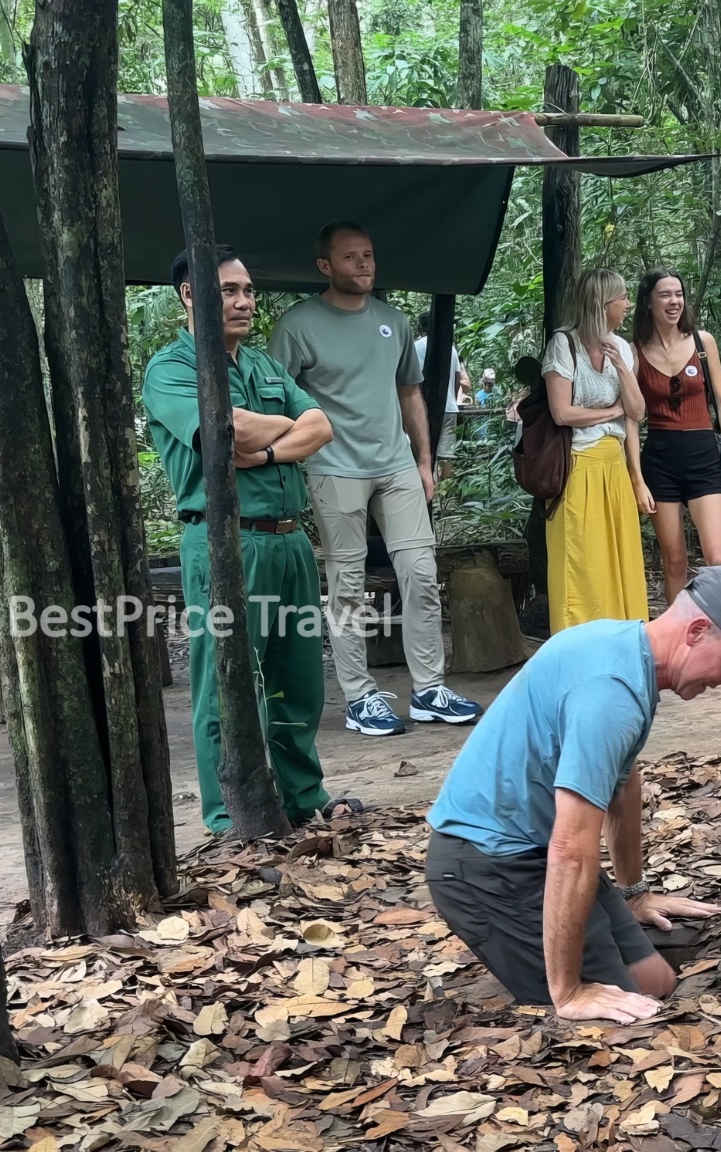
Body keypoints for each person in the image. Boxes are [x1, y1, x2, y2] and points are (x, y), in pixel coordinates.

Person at [425, 567, 721, 1023]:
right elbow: (571, 848)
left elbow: (623, 786)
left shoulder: (626, 651)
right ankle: (552, 979)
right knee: (627, 1020)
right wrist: (568, 992)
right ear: (696, 631)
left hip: (527, 849)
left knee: (657, 983)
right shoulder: (610, 694)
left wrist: (635, 892)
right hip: (485, 865)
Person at [141, 247, 342, 835]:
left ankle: (303, 798)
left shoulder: (263, 367)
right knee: (226, 684)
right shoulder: (173, 369)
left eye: (248, 290)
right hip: (225, 543)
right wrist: (275, 427)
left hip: (289, 542)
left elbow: (323, 425)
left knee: (298, 680)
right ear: (189, 296)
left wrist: (270, 448)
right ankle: (231, 816)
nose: (243, 301)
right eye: (228, 290)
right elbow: (223, 432)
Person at [271, 221, 483, 737]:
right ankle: (360, 697)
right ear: (325, 266)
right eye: (350, 258)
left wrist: (424, 459)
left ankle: (429, 688)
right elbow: (276, 397)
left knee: (421, 575)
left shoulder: (392, 321)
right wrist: (291, 456)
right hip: (333, 468)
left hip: (396, 466)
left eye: (368, 255)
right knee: (347, 586)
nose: (363, 265)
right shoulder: (298, 325)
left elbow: (411, 393)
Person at [542, 268, 650, 630]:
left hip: (613, 464)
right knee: (583, 562)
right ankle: (578, 645)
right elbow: (561, 413)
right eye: (622, 298)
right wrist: (611, 412)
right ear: (603, 305)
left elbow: (637, 412)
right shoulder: (564, 343)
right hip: (577, 465)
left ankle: (623, 637)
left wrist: (621, 366)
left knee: (620, 558)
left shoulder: (622, 348)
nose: (627, 304)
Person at [629, 268, 721, 597]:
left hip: (703, 455)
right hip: (660, 459)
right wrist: (637, 479)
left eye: (678, 294)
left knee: (719, 558)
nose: (674, 301)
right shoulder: (634, 351)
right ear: (648, 302)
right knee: (674, 560)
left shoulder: (702, 342)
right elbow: (632, 419)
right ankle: (677, 643)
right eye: (665, 295)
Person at [413, 308, 471, 481]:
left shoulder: (418, 346)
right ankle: (446, 494)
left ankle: (428, 490)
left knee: (424, 451)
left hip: (426, 408)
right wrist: (451, 399)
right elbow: (455, 378)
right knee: (447, 454)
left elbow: (414, 379)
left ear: (421, 327)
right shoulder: (450, 348)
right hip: (449, 407)